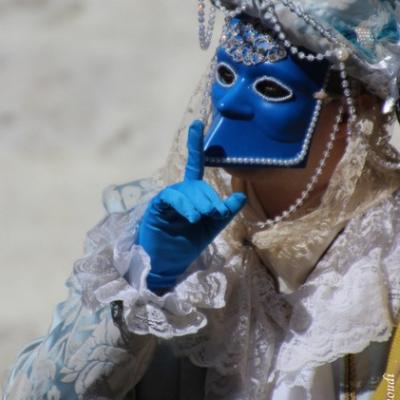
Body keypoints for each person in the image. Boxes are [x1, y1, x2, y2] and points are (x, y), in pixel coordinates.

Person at [4, 0, 400, 399]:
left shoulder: (388, 258)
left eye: (270, 88)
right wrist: (143, 289)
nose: (229, 103)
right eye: (225, 76)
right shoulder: (154, 231)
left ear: (358, 108)